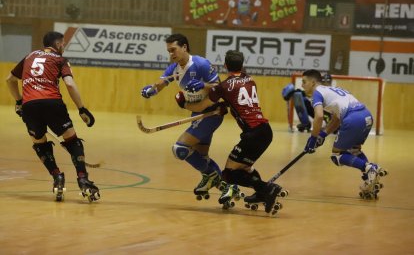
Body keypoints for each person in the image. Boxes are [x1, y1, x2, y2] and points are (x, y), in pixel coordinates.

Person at [176, 50, 287, 214]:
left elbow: (201, 106)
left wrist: (183, 104)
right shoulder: (250, 80)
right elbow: (236, 99)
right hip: (265, 132)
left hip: (253, 134)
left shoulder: (223, 87)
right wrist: (222, 103)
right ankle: (261, 194)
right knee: (245, 168)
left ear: (225, 65)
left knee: (229, 174)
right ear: (242, 65)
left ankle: (268, 189)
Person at [5, 31, 100, 202]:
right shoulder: (59, 59)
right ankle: (83, 179)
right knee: (72, 141)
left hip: (30, 106)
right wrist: (82, 109)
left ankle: (57, 176)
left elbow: (9, 79)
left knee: (40, 144)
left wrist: (19, 101)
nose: (63, 47)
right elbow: (69, 84)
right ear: (57, 45)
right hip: (52, 103)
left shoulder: (29, 56)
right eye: (63, 44)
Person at [140, 33, 225, 200]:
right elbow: (162, 83)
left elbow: (220, 88)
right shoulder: (174, 68)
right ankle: (227, 186)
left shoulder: (201, 64)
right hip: (196, 114)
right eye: (169, 51)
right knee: (202, 157)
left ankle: (213, 177)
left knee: (180, 149)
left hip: (211, 113)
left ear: (184, 47)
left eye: (174, 50)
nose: (171, 54)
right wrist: (151, 90)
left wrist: (203, 85)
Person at [302, 69, 388, 199]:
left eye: (304, 82)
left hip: (353, 119)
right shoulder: (331, 90)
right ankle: (370, 179)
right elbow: (336, 119)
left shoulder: (317, 93)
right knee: (354, 151)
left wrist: (313, 138)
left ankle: (369, 168)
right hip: (366, 116)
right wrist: (323, 135)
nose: (302, 85)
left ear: (313, 82)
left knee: (337, 155)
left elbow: (319, 116)